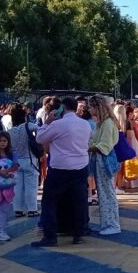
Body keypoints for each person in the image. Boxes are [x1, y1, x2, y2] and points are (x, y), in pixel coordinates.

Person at [32, 97, 90, 248]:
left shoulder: (58, 124)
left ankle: (50, 236)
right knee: (79, 201)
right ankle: (78, 233)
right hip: (80, 166)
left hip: (60, 167)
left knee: (50, 202)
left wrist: (47, 122)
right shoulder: (85, 124)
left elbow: (40, 138)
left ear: (62, 108)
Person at [86, 95, 121, 235]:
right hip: (100, 159)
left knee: (107, 192)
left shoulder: (106, 123)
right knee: (104, 192)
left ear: (97, 107)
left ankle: (112, 224)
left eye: (90, 107)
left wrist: (88, 148)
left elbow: (104, 145)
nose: (89, 109)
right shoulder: (103, 123)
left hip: (104, 160)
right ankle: (107, 223)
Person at [6, 103, 40, 218]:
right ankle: (32, 209)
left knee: (17, 187)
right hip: (29, 159)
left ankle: (18, 209)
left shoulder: (10, 131)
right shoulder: (28, 126)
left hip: (16, 161)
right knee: (31, 186)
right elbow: (40, 130)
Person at [0, 132, 20, 241]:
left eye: (4, 141)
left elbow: (16, 165)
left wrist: (7, 171)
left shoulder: (12, 153)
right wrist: (0, 171)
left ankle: (1, 231)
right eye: (0, 141)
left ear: (8, 142)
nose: (2, 143)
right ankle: (0, 231)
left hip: (8, 186)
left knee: (4, 208)